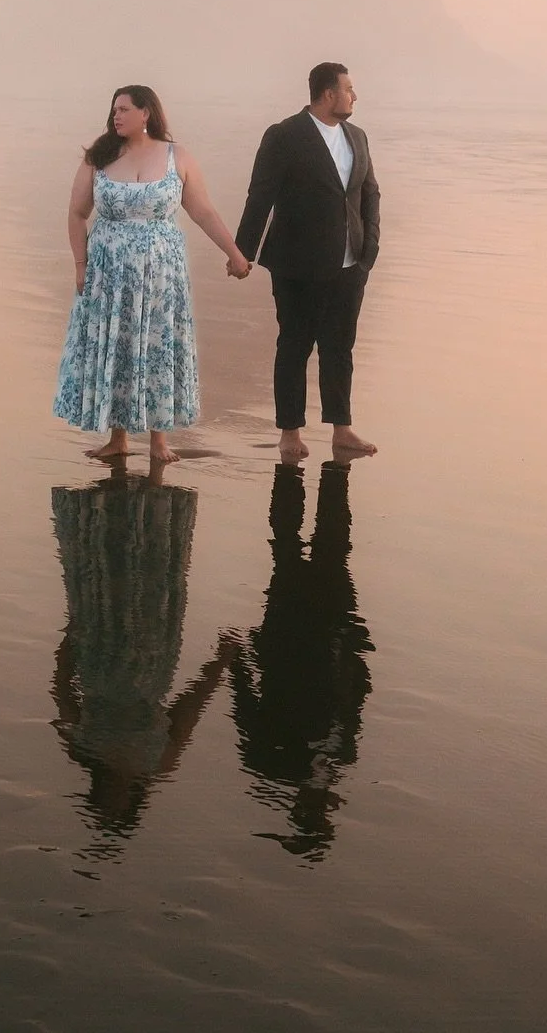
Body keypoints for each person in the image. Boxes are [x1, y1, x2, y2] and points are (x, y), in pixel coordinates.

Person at [54, 83, 251, 463]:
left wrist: (235, 255)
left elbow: (203, 211)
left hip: (161, 274)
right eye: (114, 109)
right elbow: (76, 213)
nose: (116, 115)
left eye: (124, 109)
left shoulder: (178, 156)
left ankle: (160, 441)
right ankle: (118, 438)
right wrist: (81, 265)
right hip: (108, 272)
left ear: (146, 113)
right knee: (117, 345)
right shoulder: (99, 156)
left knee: (158, 346)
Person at [50, 468, 234, 857]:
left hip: (98, 655)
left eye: (102, 809)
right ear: (130, 807)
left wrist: (70, 634)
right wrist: (220, 664)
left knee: (106, 580)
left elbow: (61, 689)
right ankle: (151, 505)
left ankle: (110, 503)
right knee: (150, 580)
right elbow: (188, 710)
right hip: (153, 657)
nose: (109, 802)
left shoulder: (81, 750)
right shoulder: (158, 762)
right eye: (113, 812)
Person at [221, 460, 373, 861]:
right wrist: (357, 648)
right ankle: (327, 474)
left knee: (295, 550)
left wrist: (236, 661)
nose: (327, 810)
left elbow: (247, 709)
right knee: (322, 551)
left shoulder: (273, 763)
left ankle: (296, 474)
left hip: (289, 640)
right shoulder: (337, 757)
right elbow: (354, 699)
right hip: (327, 633)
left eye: (319, 816)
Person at [232, 62, 380, 461]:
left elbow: (369, 194)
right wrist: (242, 253)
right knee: (294, 346)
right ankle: (290, 432)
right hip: (297, 264)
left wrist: (369, 249)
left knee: (340, 347)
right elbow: (260, 196)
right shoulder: (284, 135)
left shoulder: (357, 136)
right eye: (349, 89)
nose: (354, 96)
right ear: (328, 94)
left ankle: (342, 429)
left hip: (350, 265)